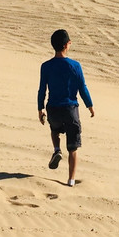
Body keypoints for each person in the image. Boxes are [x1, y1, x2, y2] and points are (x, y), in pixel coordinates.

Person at [37, 28, 94, 186]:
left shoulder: (46, 66)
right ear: (67, 45)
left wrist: (40, 109)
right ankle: (71, 180)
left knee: (55, 130)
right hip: (70, 109)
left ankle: (56, 149)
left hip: (53, 108)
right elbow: (82, 88)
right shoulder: (75, 66)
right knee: (73, 148)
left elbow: (42, 89)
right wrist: (90, 106)